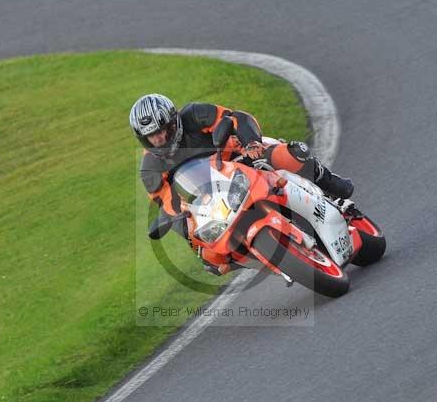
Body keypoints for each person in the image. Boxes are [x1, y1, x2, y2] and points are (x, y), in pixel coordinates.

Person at [130, 93, 354, 274]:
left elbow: (237, 118)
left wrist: (252, 142)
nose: (160, 139)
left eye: (162, 130)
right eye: (153, 136)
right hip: (210, 198)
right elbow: (168, 203)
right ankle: (255, 254)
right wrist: (186, 225)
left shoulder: (194, 114)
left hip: (240, 156)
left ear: (173, 120)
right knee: (211, 259)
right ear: (143, 138)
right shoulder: (150, 168)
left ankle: (330, 183)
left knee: (288, 156)